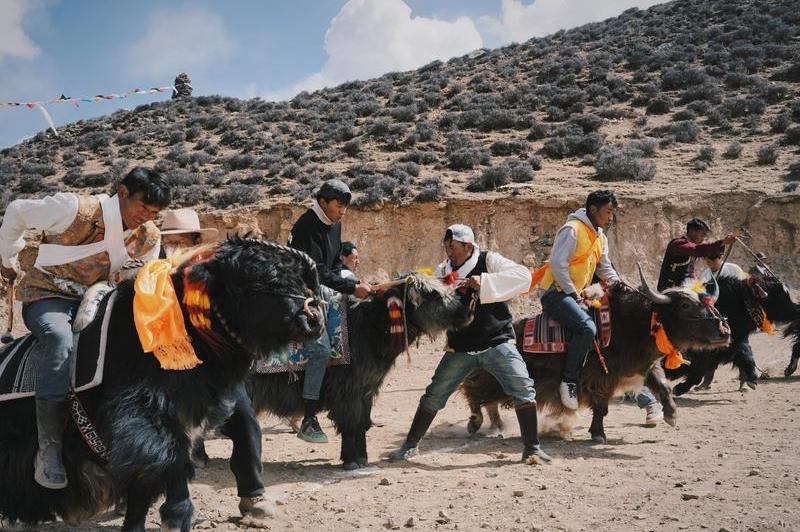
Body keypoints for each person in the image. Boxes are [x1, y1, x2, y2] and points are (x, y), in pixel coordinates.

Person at [0, 167, 170, 489]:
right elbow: (17, 211)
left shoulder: (150, 237)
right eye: (142, 207)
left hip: (97, 300)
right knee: (60, 340)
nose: (146, 217)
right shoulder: (73, 209)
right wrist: (7, 259)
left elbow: (139, 280)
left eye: (154, 212)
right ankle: (48, 449)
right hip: (47, 296)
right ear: (122, 193)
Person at [390, 224, 552, 465]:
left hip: (497, 341)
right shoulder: (443, 270)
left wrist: (484, 282)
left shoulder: (489, 261)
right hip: (461, 347)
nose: (448, 251)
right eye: (446, 247)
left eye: (452, 246)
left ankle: (532, 449)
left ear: (468, 246)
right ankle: (410, 446)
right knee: (434, 395)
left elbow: (523, 277)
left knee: (523, 388)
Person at [157, 210, 270, 518]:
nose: (176, 247)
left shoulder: (215, 274)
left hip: (215, 366)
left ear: (196, 241)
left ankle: (253, 494)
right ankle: (171, 501)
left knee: (245, 419)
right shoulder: (151, 274)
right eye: (170, 241)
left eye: (183, 241)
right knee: (165, 429)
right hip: (167, 368)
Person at [288, 180, 372, 443]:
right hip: (299, 294)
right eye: (339, 205)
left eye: (345, 206)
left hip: (322, 292)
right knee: (321, 350)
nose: (343, 211)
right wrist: (350, 286)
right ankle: (310, 417)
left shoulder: (334, 224)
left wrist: (353, 283)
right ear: (323, 202)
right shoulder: (306, 226)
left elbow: (334, 263)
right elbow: (317, 272)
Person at [537, 190, 620, 411]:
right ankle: (569, 381)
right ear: (593, 209)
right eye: (608, 212)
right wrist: (574, 294)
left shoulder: (600, 237)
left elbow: (604, 267)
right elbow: (558, 265)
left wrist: (618, 284)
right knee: (586, 328)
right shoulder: (572, 230)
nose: (610, 217)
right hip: (555, 292)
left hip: (574, 293)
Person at [657, 218, 736, 291]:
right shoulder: (678, 244)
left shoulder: (692, 247)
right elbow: (697, 250)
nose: (703, 237)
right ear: (692, 231)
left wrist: (723, 244)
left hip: (684, 287)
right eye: (702, 234)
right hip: (669, 289)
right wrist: (723, 242)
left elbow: (689, 271)